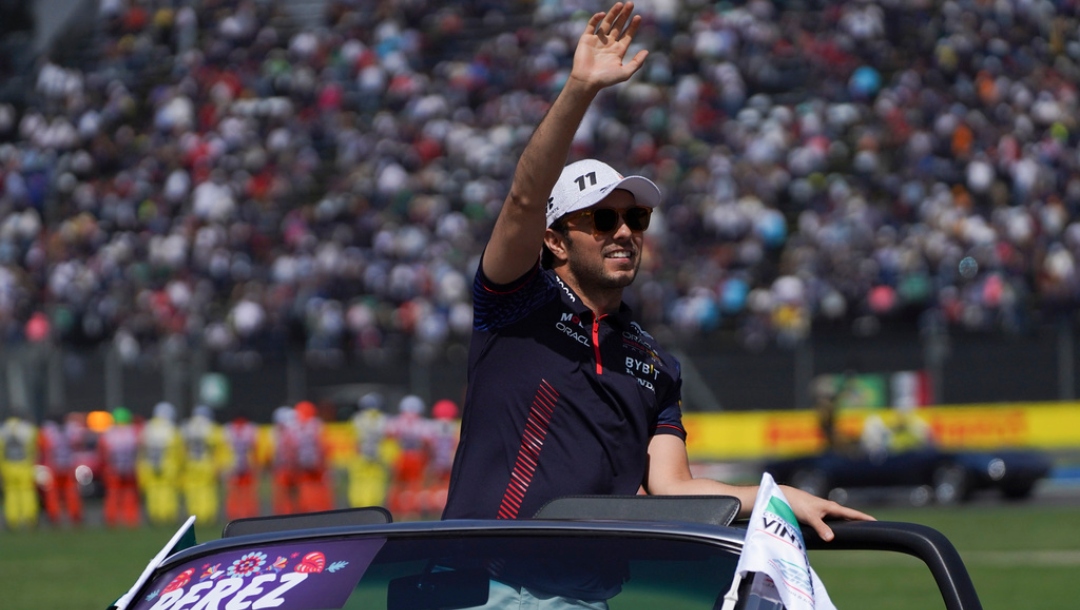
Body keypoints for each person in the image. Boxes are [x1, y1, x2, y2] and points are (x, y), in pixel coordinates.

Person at [443, 1, 871, 534]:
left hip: (586, 591)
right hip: (488, 583)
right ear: (553, 241)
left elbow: (674, 487)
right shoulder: (515, 305)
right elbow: (525, 200)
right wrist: (581, 88)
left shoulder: (654, 361)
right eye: (601, 218)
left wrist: (776, 497)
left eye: (635, 217)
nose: (624, 231)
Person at [137, 401, 183, 525]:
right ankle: (167, 516)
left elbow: (141, 449)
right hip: (168, 466)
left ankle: (155, 516)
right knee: (167, 492)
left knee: (153, 492)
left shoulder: (147, 428)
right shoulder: (172, 429)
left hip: (149, 466)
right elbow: (178, 451)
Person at [0, 413, 39, 528]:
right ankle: (29, 517)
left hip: (8, 466)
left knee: (11, 492)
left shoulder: (3, 429)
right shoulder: (28, 429)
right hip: (25, 465)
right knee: (27, 491)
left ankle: (12, 519)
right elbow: (34, 446)